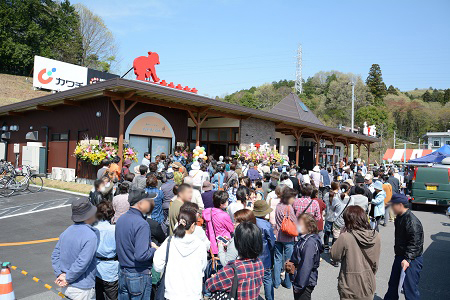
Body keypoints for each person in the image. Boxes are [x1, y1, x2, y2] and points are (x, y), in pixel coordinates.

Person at [153, 209, 207, 300]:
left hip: (172, 293)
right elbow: (202, 267)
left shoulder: (169, 241)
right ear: (193, 225)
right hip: (193, 294)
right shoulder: (200, 245)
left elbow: (157, 265)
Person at [115, 188, 158, 300]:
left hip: (123, 272)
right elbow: (141, 255)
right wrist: (154, 249)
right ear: (141, 203)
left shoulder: (121, 219)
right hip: (138, 274)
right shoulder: (142, 224)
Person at [331, 206, 381, 300]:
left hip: (349, 284)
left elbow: (334, 255)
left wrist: (340, 235)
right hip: (368, 282)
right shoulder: (376, 236)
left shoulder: (346, 237)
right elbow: (375, 263)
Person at [51, 198, 98, 299]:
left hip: (66, 285)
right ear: (89, 215)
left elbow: (55, 255)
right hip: (82, 287)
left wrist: (60, 274)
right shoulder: (90, 235)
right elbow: (82, 262)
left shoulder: (66, 231)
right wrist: (67, 278)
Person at [205, 222, 264, 300]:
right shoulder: (259, 263)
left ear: (237, 243)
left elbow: (209, 285)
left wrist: (214, 277)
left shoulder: (233, 269)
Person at [384, 194, 424, 300]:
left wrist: (408, 258)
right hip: (400, 255)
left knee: (410, 289)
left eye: (393, 205)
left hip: (411, 259)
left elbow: (416, 243)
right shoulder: (399, 217)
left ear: (400, 205)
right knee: (393, 284)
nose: (391, 208)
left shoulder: (412, 221)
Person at [285, 213, 323, 300]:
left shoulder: (309, 243)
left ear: (308, 226)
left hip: (305, 281)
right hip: (301, 278)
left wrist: (299, 286)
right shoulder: (304, 239)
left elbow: (306, 266)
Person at [94, 201, 119, 300]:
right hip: (111, 269)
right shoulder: (115, 229)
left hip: (96, 268)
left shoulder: (93, 228)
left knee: (98, 295)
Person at [273, 187, 297, 289]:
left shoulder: (278, 206)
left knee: (277, 259)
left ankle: (276, 282)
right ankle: (287, 282)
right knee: (288, 260)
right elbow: (295, 222)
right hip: (288, 237)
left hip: (278, 235)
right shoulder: (289, 208)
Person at [253, 200, 276, 300]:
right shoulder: (266, 225)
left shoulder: (250, 222)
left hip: (252, 256)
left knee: (254, 279)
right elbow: (272, 242)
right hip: (265, 255)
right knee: (267, 279)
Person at [202, 190, 234, 255]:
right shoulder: (224, 215)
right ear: (221, 204)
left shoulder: (208, 212)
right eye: (226, 200)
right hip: (223, 243)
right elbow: (231, 229)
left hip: (211, 243)